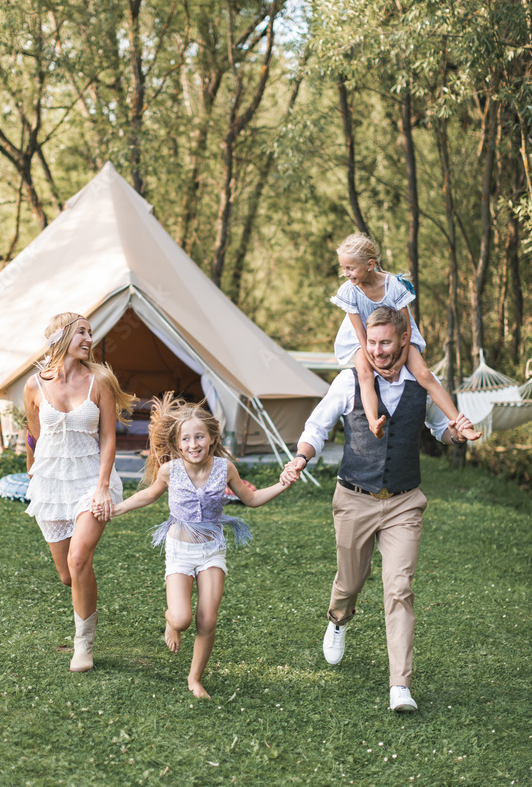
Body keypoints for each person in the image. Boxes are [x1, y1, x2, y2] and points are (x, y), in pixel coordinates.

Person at [281, 305, 478, 712]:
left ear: (405, 340)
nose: (377, 350)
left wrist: (456, 434)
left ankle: (399, 686)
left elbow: (442, 429)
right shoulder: (349, 380)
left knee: (399, 589)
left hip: (404, 502)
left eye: (385, 342)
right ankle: (337, 620)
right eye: (371, 342)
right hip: (354, 497)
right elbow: (317, 427)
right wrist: (301, 458)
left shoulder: (423, 382)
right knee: (350, 583)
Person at [95, 393, 295, 699]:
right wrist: (114, 509)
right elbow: (147, 496)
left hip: (212, 549)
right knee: (182, 618)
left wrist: (283, 483)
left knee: (207, 620)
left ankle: (194, 678)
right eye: (186, 439)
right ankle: (170, 621)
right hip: (180, 549)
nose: (193, 444)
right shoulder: (170, 471)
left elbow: (251, 500)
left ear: (212, 438)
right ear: (177, 444)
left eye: (199, 436)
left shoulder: (225, 468)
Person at [24, 312, 136, 672]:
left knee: (78, 558)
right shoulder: (34, 385)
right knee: (68, 574)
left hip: (91, 480)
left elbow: (108, 438)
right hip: (51, 483)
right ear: (60, 337)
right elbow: (33, 436)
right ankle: (84, 601)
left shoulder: (99, 380)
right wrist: (31, 477)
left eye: (90, 332)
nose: (89, 338)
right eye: (82, 332)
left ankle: (83, 646)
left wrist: (103, 487)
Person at [332, 232, 481, 441]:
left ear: (370, 264)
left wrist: (402, 357)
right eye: (343, 268)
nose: (345, 273)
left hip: (399, 334)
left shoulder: (393, 285)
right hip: (363, 339)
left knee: (424, 374)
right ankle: (373, 421)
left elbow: (407, 325)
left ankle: (460, 423)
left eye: (350, 268)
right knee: (364, 374)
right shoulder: (349, 291)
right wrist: (374, 362)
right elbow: (359, 332)